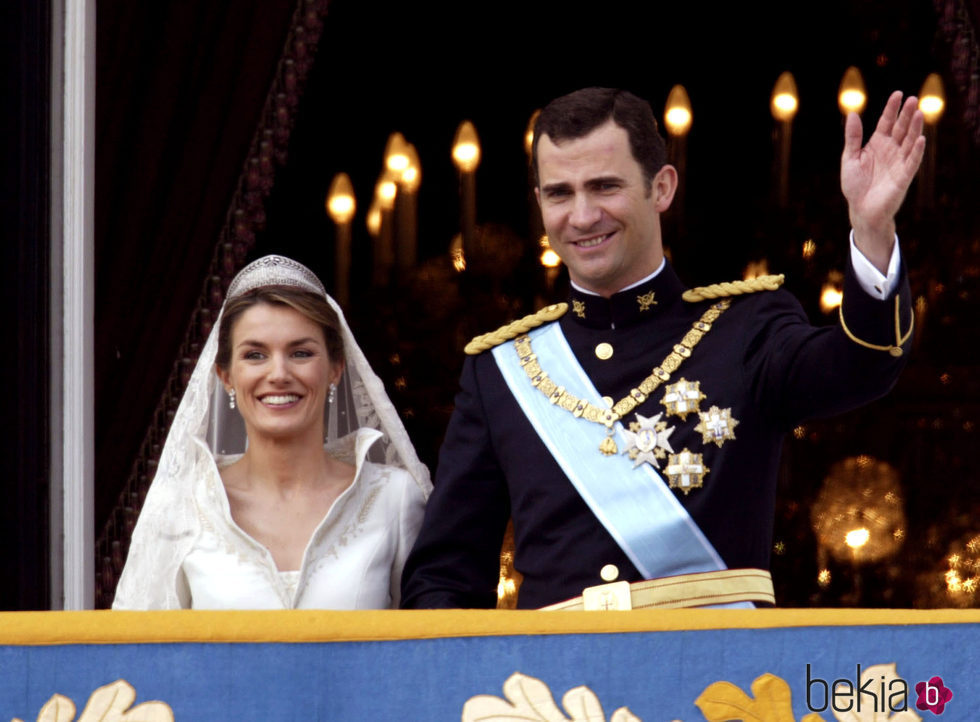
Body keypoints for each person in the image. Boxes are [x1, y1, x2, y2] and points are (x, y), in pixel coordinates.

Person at [401, 87, 922, 610]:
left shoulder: (745, 328)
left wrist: (872, 230)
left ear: (662, 187)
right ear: (539, 203)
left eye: (605, 187)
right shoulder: (501, 371)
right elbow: (445, 577)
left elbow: (862, 366)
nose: (582, 216)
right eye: (560, 193)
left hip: (718, 679)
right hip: (558, 687)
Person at [114, 255, 431, 609]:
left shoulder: (394, 498)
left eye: (300, 353)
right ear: (226, 376)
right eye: (255, 355)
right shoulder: (184, 504)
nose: (279, 373)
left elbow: (428, 647)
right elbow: (143, 653)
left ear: (336, 368)